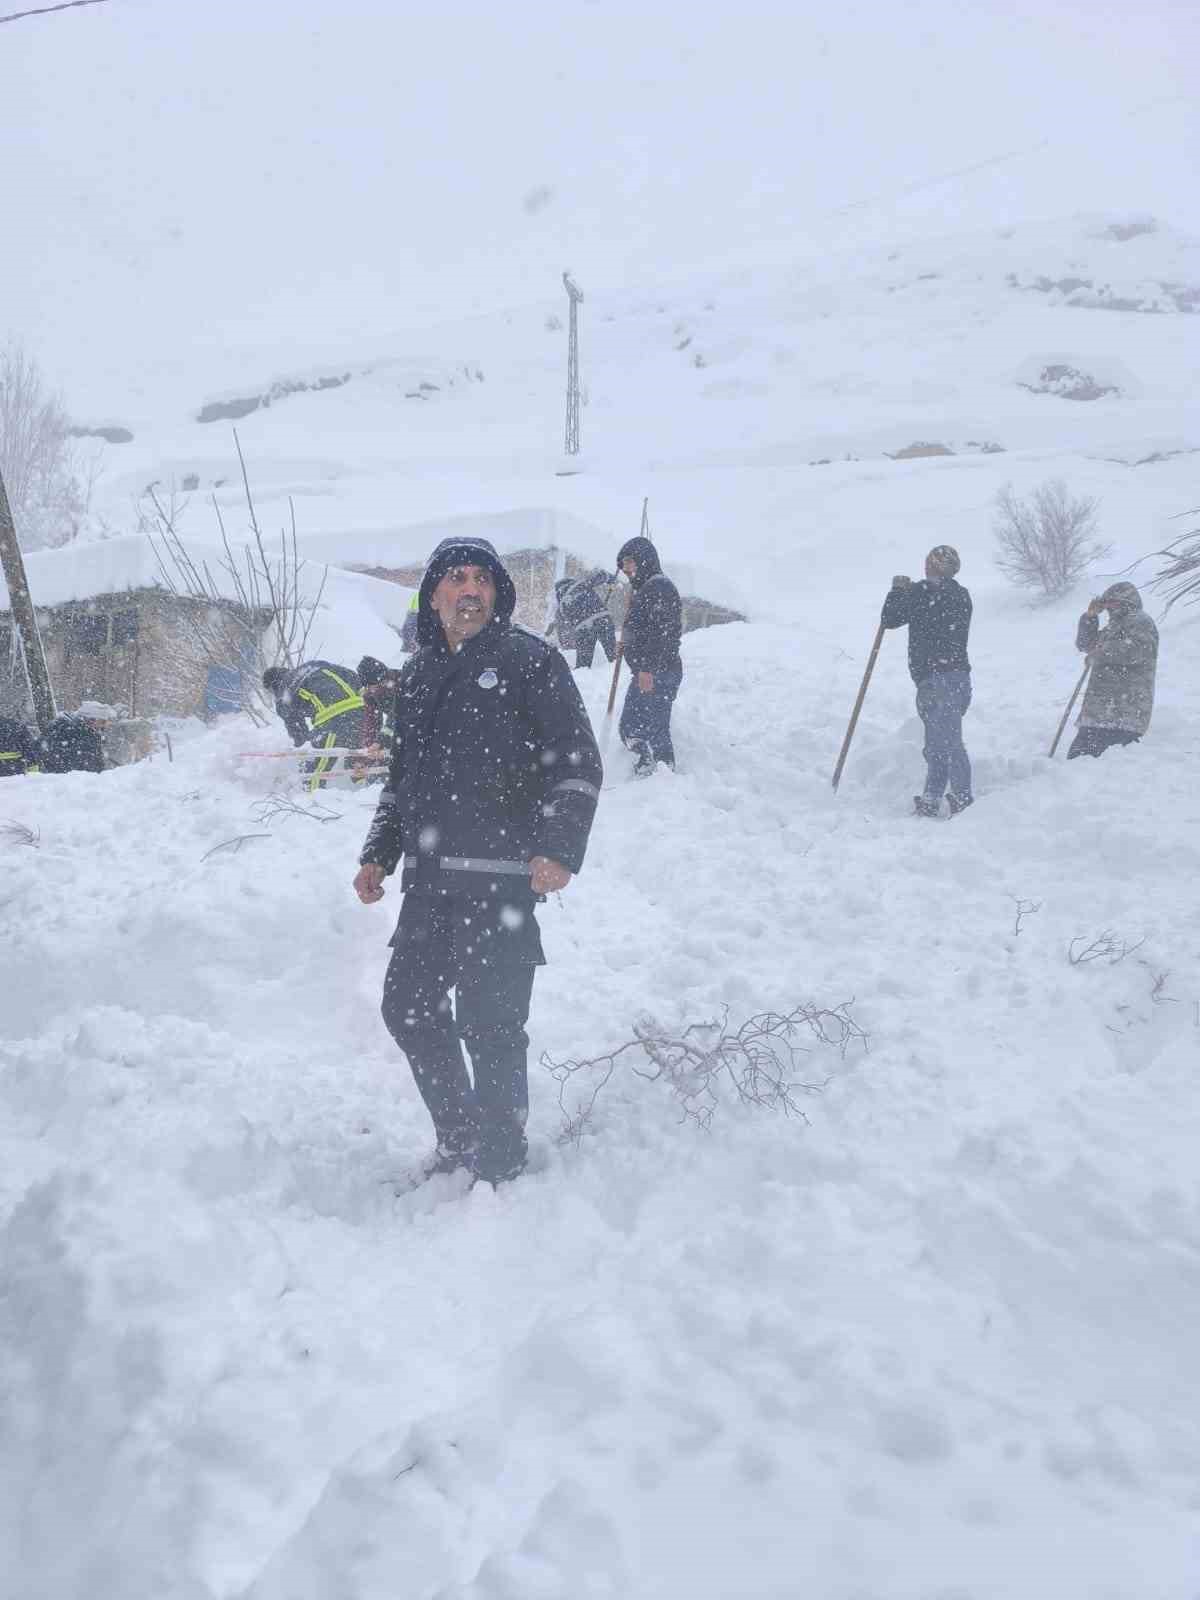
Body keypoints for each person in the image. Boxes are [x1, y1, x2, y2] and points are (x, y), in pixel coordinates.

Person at [353, 535, 602, 1187]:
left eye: (482, 580)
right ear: (433, 595)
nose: (470, 589)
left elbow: (577, 762)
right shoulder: (419, 677)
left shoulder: (531, 663)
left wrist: (558, 845)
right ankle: (458, 1133)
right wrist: (378, 853)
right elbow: (403, 777)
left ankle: (498, 1158)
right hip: (431, 884)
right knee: (407, 1006)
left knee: (491, 1025)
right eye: (456, 578)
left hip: (501, 881)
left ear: (497, 594)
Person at [881, 545, 973, 817]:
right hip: (949, 679)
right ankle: (932, 798)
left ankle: (963, 797)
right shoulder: (958, 594)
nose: (926, 567)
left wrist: (898, 591)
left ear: (936, 566)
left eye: (930, 563)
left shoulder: (928, 593)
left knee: (948, 742)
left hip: (941, 679)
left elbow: (890, 619)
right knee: (937, 743)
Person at [615, 535, 683, 777]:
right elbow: (643, 629)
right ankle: (647, 765)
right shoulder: (645, 589)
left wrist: (647, 669)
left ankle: (665, 773)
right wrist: (627, 643)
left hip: (658, 671)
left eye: (629, 561)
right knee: (631, 726)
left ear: (644, 559)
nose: (626, 568)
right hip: (647, 671)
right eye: (623, 564)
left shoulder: (659, 587)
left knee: (654, 727)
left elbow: (663, 635)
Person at [1068, 581, 1158, 759]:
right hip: (1101, 711)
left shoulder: (1140, 621)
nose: (1109, 606)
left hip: (1123, 713)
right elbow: (1086, 644)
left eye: (1113, 602)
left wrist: (1099, 654)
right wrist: (1091, 616)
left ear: (1127, 602)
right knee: (1078, 764)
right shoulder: (1113, 627)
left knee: (1094, 769)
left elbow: (1135, 652)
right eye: (1107, 602)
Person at [262, 660, 365, 790]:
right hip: (359, 711)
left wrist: (304, 748)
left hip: (332, 719)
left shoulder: (284, 690)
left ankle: (312, 801)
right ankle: (364, 792)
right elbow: (352, 676)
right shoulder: (313, 665)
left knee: (315, 769)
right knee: (356, 758)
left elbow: (295, 726)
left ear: (273, 686)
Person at [548, 569, 618, 670]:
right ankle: (618, 673)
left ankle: (582, 678)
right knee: (614, 656)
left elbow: (562, 628)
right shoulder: (579, 585)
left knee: (583, 666)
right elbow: (599, 575)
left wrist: (567, 644)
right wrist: (610, 578)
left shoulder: (562, 606)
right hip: (603, 619)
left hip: (583, 629)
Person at [41, 701, 117, 774]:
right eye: (102, 722)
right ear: (91, 720)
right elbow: (90, 766)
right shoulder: (83, 737)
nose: (105, 725)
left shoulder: (81, 732)